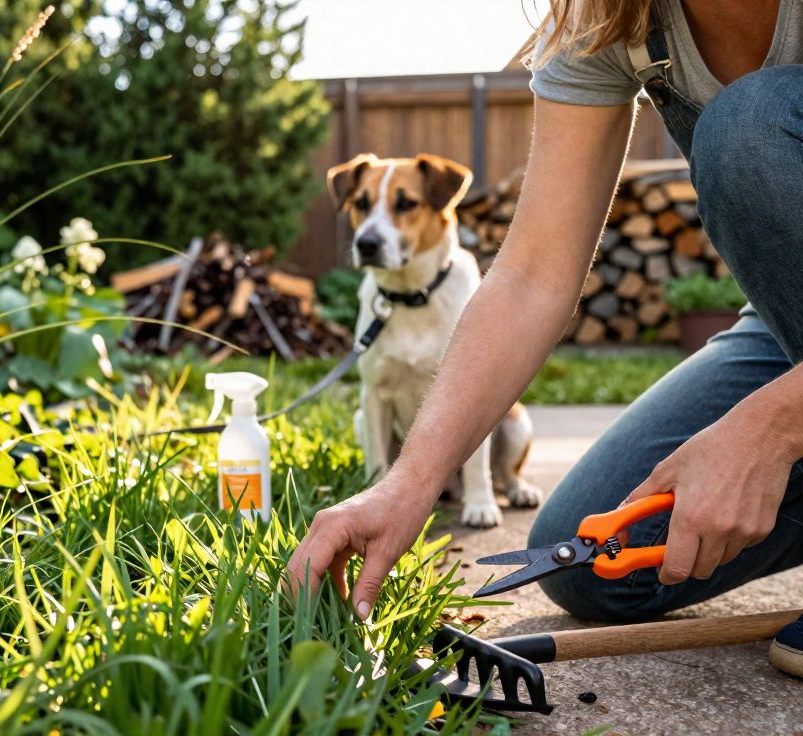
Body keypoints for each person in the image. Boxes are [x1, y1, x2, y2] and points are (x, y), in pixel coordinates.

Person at [285, 0, 803, 677]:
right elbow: (532, 275)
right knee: (594, 559)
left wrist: (773, 427)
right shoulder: (607, 14)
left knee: (748, 133)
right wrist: (405, 486)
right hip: (784, 328)